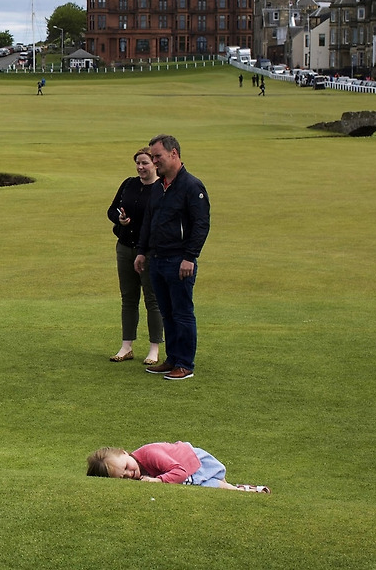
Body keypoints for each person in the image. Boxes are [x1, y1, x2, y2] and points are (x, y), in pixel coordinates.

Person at [135, 134, 210, 381]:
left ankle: (185, 364)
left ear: (174, 153)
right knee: (167, 312)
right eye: (153, 156)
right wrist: (141, 251)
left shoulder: (192, 186)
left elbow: (201, 225)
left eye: (158, 156)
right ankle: (172, 359)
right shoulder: (159, 187)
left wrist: (190, 257)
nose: (154, 161)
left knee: (182, 313)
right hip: (157, 259)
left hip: (179, 261)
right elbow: (149, 221)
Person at [105, 147, 163, 365]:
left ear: (155, 164)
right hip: (124, 247)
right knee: (128, 298)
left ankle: (154, 348)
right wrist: (119, 219)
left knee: (152, 299)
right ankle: (126, 346)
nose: (140, 167)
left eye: (144, 163)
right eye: (138, 163)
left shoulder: (161, 188)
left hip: (148, 251)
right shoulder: (129, 184)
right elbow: (112, 210)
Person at [86, 442, 269, 492]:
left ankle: (242, 491)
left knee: (206, 486)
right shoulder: (137, 470)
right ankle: (244, 489)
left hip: (195, 462)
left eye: (126, 467)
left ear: (125, 453)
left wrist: (159, 481)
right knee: (216, 487)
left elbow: (180, 472)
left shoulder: (149, 454)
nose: (129, 474)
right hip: (188, 465)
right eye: (123, 477)